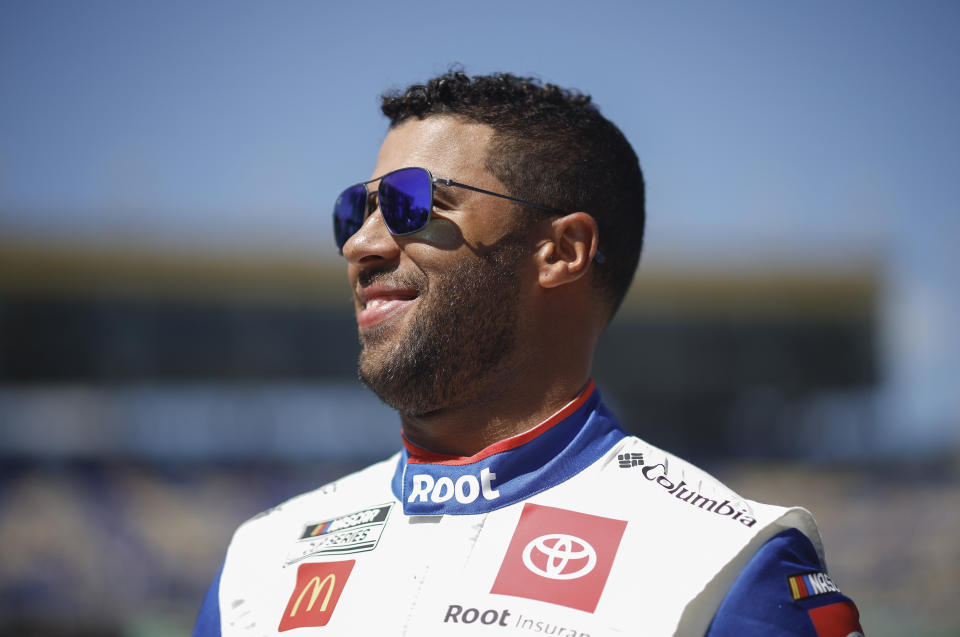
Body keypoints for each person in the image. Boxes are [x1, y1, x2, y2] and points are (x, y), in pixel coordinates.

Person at [193, 70, 864, 636]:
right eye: (355, 211)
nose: (360, 245)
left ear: (561, 251)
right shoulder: (261, 561)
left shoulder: (723, 564)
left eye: (411, 204)